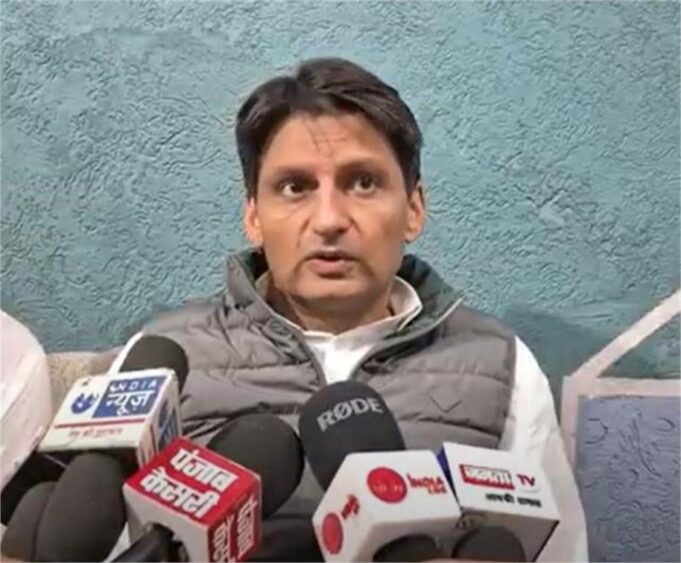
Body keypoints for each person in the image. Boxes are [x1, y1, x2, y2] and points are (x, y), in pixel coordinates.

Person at [140, 57, 588, 561]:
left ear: (414, 209)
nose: (329, 220)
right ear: (254, 216)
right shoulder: (164, 362)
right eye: (294, 187)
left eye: (363, 183)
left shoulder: (501, 365)